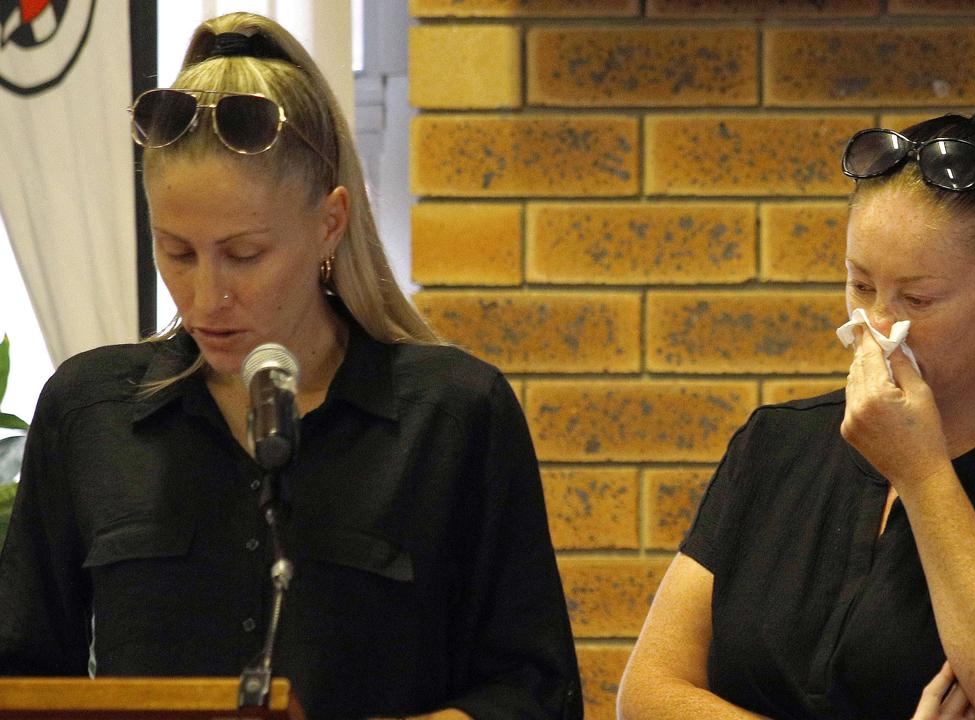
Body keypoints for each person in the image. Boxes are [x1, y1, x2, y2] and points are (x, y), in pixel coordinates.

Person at [0, 12, 582, 720]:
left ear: (330, 222)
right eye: (177, 251)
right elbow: (22, 679)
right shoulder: (88, 411)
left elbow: (537, 690)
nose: (206, 295)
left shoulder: (455, 414)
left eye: (245, 254)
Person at [617, 112, 975, 720]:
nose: (880, 327)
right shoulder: (776, 444)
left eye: (917, 299)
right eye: (861, 286)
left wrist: (922, 473)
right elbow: (646, 694)